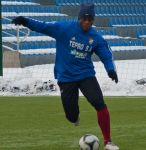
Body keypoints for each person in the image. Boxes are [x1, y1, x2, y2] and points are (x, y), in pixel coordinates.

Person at [12, 3, 119, 150]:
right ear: (79, 18)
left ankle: (108, 142)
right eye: (84, 19)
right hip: (66, 77)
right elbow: (43, 26)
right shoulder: (64, 28)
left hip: (86, 75)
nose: (87, 22)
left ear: (93, 20)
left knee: (99, 103)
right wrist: (25, 21)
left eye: (90, 19)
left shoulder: (96, 37)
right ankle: (75, 117)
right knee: (71, 116)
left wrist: (110, 69)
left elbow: (106, 55)